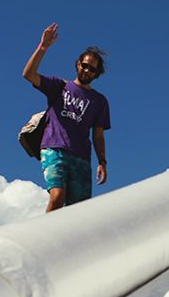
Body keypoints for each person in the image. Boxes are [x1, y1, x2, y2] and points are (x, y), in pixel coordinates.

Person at [22, 23, 111, 212]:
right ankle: (43, 239)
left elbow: (98, 135)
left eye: (92, 69)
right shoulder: (59, 86)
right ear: (78, 64)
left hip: (81, 158)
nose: (87, 71)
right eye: (84, 66)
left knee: (77, 213)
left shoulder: (99, 101)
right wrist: (43, 47)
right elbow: (29, 74)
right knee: (57, 196)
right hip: (54, 149)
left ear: (97, 74)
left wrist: (102, 162)